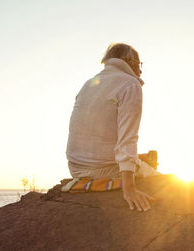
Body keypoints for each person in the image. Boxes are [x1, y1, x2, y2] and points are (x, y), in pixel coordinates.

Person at [66, 43, 160, 212]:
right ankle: (141, 165)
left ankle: (140, 161)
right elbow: (128, 138)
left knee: (143, 160)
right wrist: (129, 188)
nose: (140, 70)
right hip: (104, 170)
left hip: (75, 168)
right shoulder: (131, 84)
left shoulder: (89, 83)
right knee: (162, 179)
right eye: (139, 64)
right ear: (129, 61)